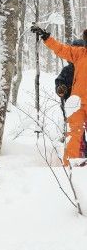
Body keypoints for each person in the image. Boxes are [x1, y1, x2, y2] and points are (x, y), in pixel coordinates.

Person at [31, 25, 87, 166]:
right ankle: (71, 167)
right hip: (78, 103)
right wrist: (46, 37)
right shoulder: (80, 53)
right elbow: (61, 49)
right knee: (74, 135)